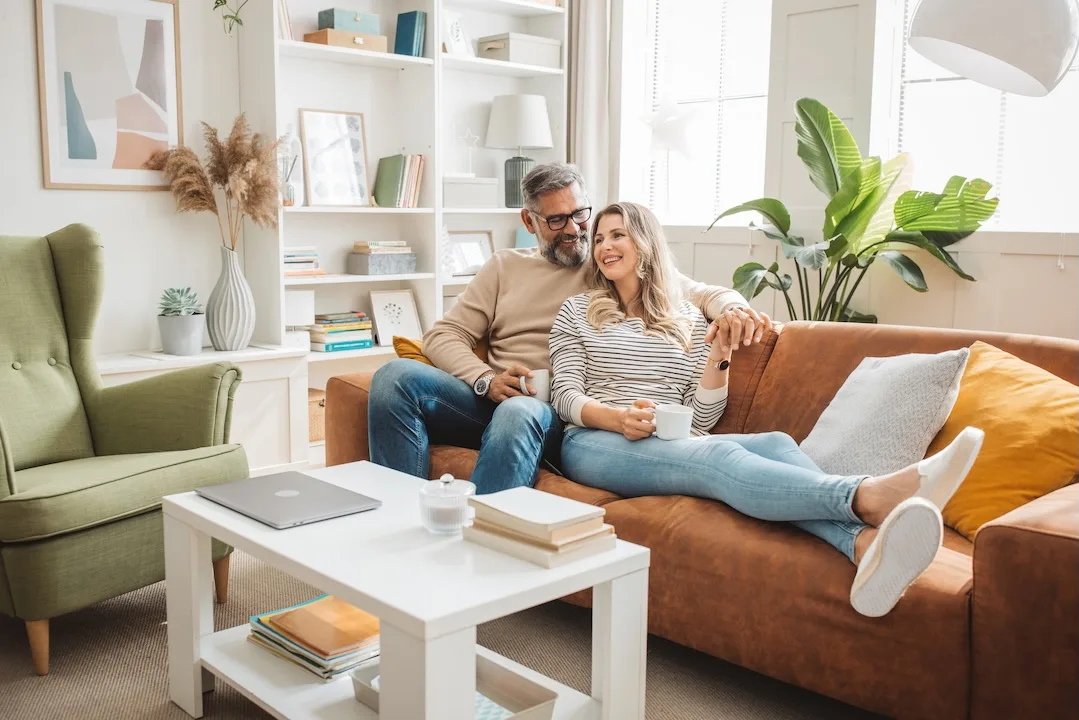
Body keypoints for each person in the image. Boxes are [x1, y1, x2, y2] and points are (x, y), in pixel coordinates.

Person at [550, 202, 984, 617]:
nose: (604, 246)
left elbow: (699, 420)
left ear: (645, 243)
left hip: (667, 440)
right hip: (594, 442)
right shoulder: (577, 311)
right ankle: (864, 496)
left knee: (775, 442)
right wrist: (617, 418)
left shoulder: (687, 318)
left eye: (618, 235)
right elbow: (565, 396)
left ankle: (862, 546)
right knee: (717, 456)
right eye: (600, 237)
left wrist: (719, 358)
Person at [367, 163, 773, 493]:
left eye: (580, 214)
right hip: (492, 399)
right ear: (530, 220)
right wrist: (484, 379)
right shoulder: (504, 266)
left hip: (555, 410)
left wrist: (734, 308)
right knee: (393, 377)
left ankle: (485, 549)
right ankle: (399, 516)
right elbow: (443, 335)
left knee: (519, 411)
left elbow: (695, 292)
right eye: (557, 219)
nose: (575, 230)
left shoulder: (609, 264)